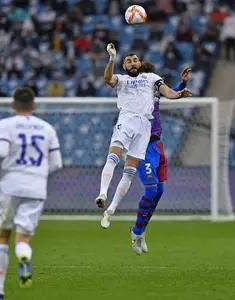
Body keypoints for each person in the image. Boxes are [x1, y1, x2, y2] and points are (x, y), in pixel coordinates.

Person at [97, 43, 191, 252]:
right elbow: (112, 79)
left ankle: (140, 231)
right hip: (144, 144)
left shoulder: (152, 88)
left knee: (159, 191)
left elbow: (169, 92)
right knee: (150, 191)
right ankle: (136, 231)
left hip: (157, 143)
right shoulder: (136, 86)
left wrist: (181, 84)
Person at [0, 88, 63, 300]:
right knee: (23, 237)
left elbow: (3, 152)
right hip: (36, 187)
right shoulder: (47, 129)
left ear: (13, 105)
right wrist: (39, 173)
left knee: (3, 235)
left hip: (10, 185)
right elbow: (57, 164)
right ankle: (24, 255)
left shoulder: (5, 125)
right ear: (34, 106)